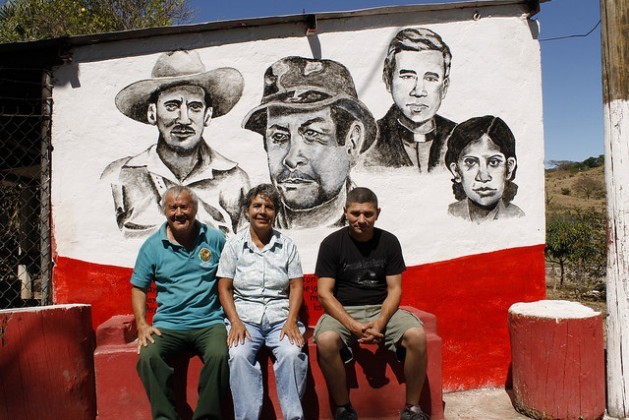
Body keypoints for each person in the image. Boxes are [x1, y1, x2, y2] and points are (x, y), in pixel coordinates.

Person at [101, 49, 250, 237]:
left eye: (195, 107)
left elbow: (247, 247)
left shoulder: (234, 180)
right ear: (152, 113)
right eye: (172, 106)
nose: (184, 119)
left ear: (207, 115)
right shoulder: (118, 175)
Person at [314, 187, 429, 420]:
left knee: (417, 335)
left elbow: (395, 289)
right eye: (355, 213)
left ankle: (412, 409)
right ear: (345, 212)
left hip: (381, 308)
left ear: (377, 213)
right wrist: (352, 325)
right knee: (325, 341)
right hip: (343, 310)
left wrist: (381, 322)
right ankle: (344, 409)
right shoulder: (331, 244)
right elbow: (324, 293)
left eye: (368, 214)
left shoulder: (389, 242)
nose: (361, 220)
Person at [242, 56, 377, 229]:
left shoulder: (376, 233)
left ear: (352, 143)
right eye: (279, 136)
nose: (291, 159)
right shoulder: (248, 236)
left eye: (312, 134)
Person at [131, 185, 229, 419]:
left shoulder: (215, 239)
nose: (178, 213)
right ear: (164, 211)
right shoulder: (152, 246)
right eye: (172, 208)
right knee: (148, 356)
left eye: (184, 207)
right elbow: (139, 287)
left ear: (195, 208)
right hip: (168, 324)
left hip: (209, 321)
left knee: (221, 355)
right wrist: (142, 324)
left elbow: (230, 279)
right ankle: (165, 416)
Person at [217, 184, 308, 420]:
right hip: (245, 320)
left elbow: (296, 285)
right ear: (247, 211)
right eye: (257, 205)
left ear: (275, 213)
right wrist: (235, 322)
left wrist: (291, 321)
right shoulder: (234, 245)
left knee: (292, 354)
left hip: (280, 319)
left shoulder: (287, 245)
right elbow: (224, 287)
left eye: (269, 207)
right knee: (238, 355)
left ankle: (294, 417)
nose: (262, 211)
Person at [365, 27, 456, 172]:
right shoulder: (367, 143)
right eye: (407, 76)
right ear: (388, 80)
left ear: (444, 87)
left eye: (430, 78)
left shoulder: (462, 138)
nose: (418, 91)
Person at [444, 115, 525, 222]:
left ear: (509, 168)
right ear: (457, 171)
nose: (483, 177)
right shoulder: (447, 215)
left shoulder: (519, 218)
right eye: (471, 162)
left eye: (494, 162)